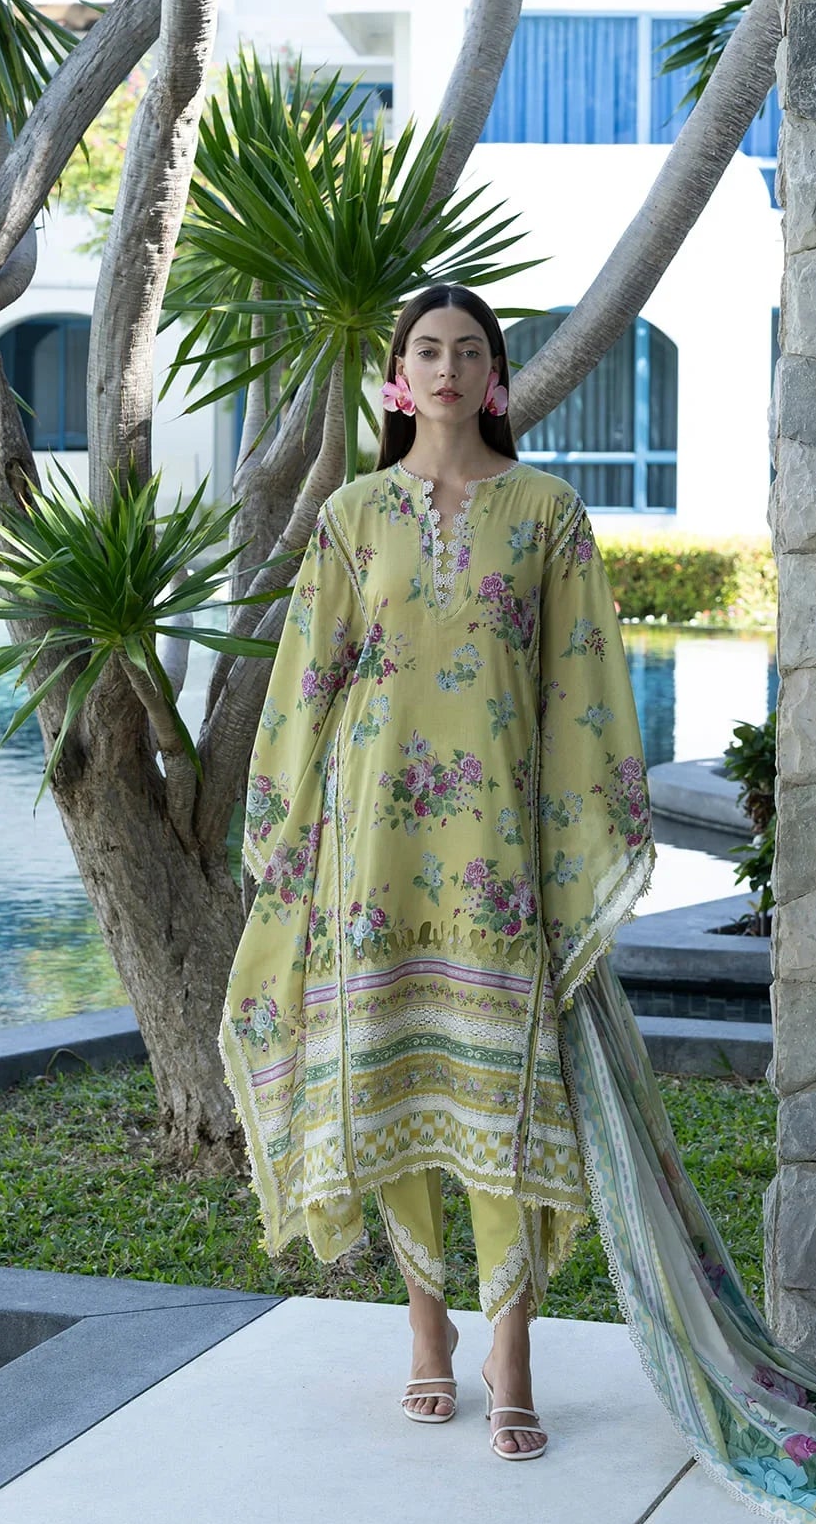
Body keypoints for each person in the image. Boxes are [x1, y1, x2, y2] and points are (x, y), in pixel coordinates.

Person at [220, 283, 653, 1461]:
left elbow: (580, 685)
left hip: (498, 853)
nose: (449, 367)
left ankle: (513, 1350)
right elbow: (308, 679)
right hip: (375, 845)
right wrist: (285, 830)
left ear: (495, 375)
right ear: (398, 377)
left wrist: (581, 841)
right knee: (396, 1086)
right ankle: (426, 1328)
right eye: (428, 349)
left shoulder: (549, 513)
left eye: (469, 350)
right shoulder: (352, 515)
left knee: (500, 1095)